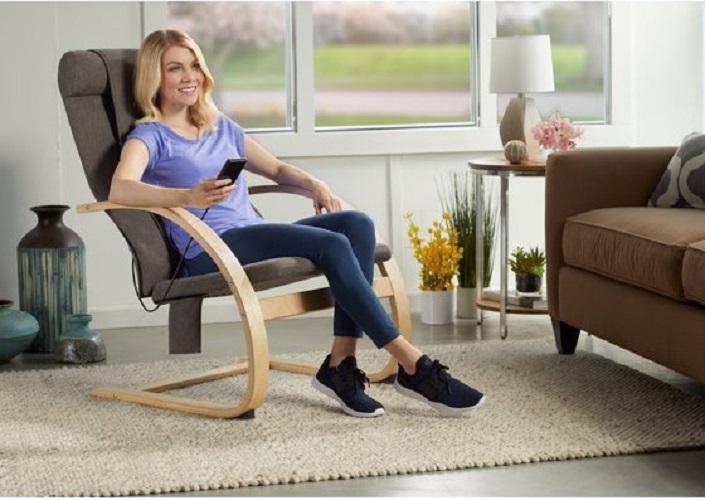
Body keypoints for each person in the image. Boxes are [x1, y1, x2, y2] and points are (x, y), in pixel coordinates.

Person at [109, 29, 485, 418]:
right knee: (332, 245)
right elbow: (120, 188)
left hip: (249, 235)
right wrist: (188, 196)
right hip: (210, 250)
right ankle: (412, 364)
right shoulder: (150, 136)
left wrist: (313, 184)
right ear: (154, 77)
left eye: (194, 66)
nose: (190, 76)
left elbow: (274, 169)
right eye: (175, 68)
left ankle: (340, 364)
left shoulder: (221, 126)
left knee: (356, 224)